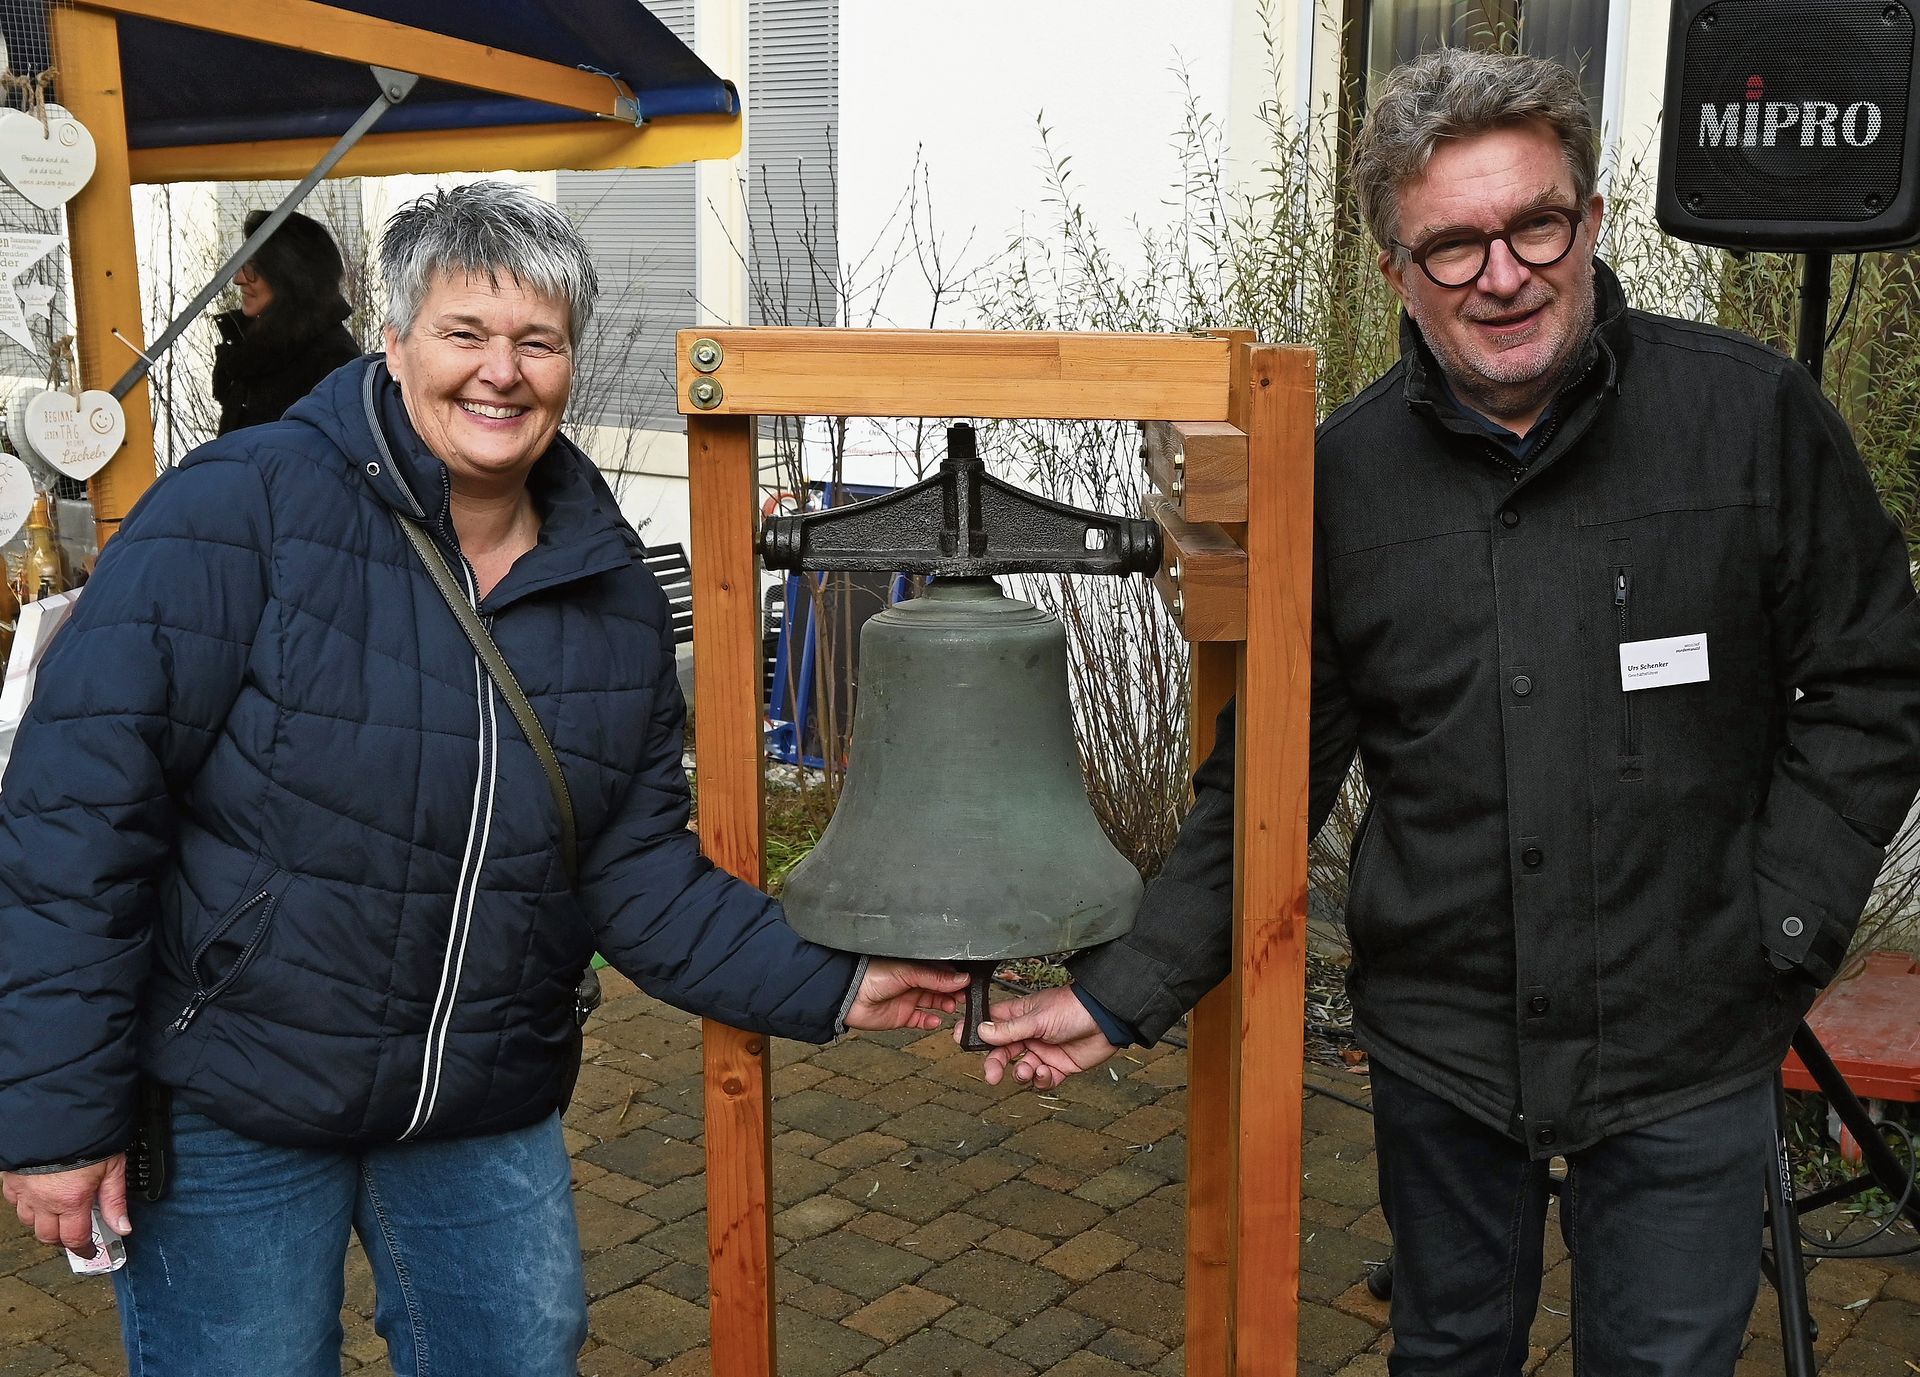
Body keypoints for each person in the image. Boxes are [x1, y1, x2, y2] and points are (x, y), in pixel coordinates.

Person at [974, 47, 1920, 1377]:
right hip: (1447, 1053)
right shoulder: (1343, 481)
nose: (1503, 270)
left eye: (1535, 221)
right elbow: (1266, 781)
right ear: (1396, 274)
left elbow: (1873, 680)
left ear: (1590, 222)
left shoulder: (1748, 420)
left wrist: (1783, 925)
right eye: (1454, 242)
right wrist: (1120, 994)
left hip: (1689, 1039)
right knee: (1450, 1353)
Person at [0, 181, 967, 1377]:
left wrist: (832, 985)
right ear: (396, 341)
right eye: (465, 333)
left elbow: (638, 872)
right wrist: (54, 1118)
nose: (500, 373)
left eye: (536, 341)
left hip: (478, 1101)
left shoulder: (603, 584)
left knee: (520, 1354)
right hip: (237, 1092)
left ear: (569, 360)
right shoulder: (241, 510)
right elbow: (75, 823)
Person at [211, 208, 362, 434]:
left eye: (253, 268)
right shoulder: (254, 350)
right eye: (242, 264)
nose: (238, 279)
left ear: (289, 276)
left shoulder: (335, 362)